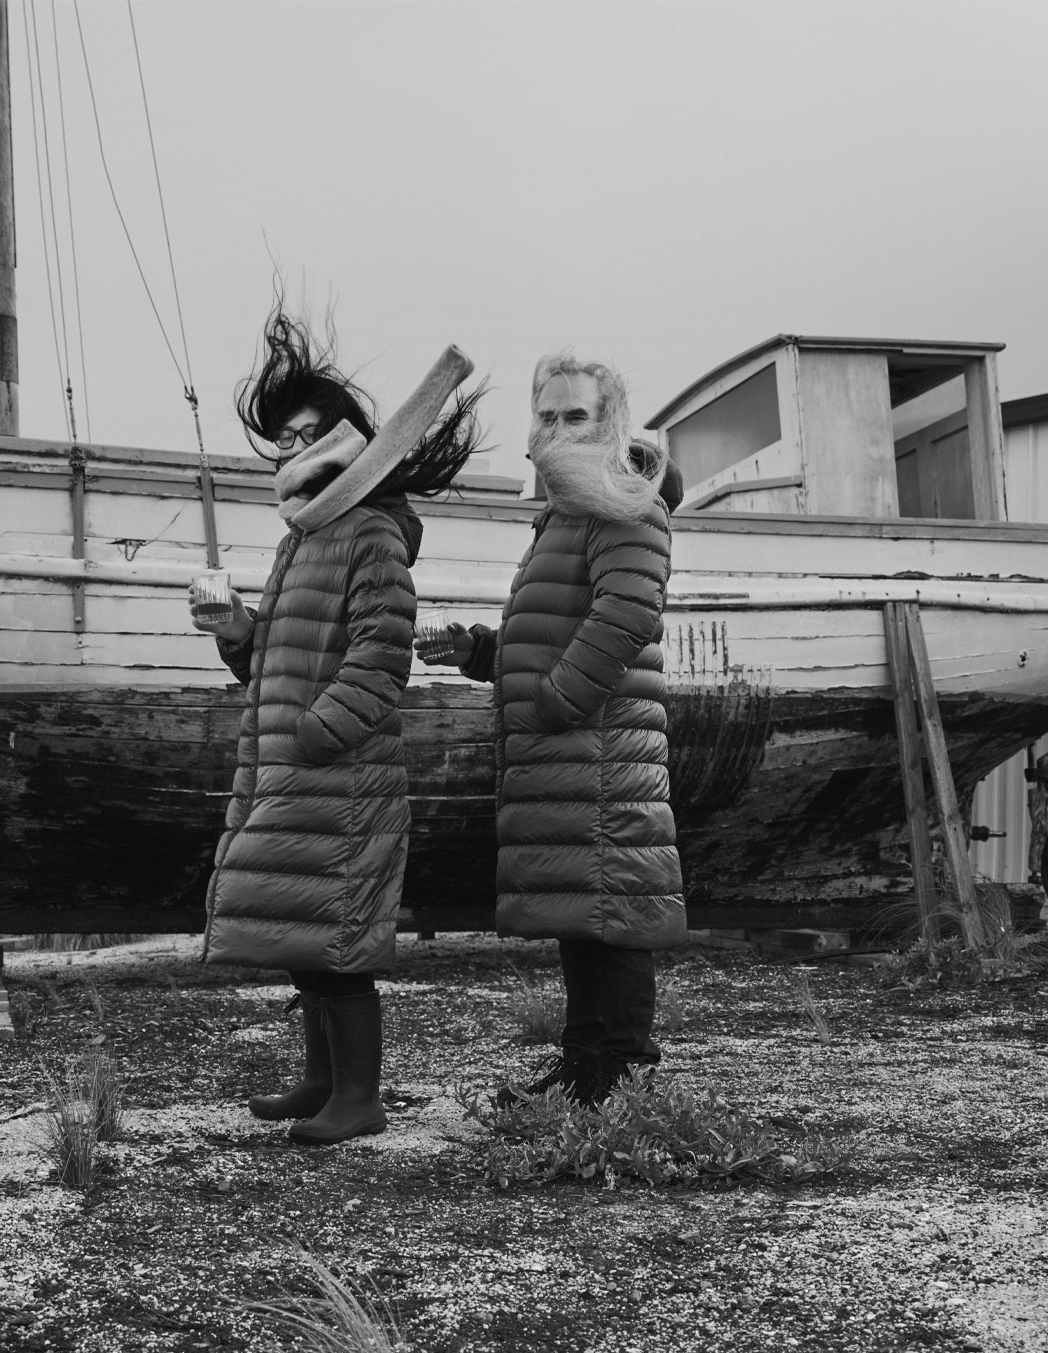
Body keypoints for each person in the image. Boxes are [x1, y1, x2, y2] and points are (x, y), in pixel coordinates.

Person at [191, 307, 481, 1145]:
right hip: (290, 767)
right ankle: (321, 1080)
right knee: (301, 932)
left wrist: (314, 735)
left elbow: (379, 661)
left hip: (338, 774)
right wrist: (240, 634)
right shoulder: (300, 541)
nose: (292, 451)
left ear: (351, 436)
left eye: (306, 434)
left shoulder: (373, 536)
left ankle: (359, 1097)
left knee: (341, 942)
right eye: (282, 441)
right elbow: (272, 665)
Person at [418, 353, 685, 1105]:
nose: (560, 428)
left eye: (578, 415)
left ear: (610, 423)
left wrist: (556, 704)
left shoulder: (623, 503)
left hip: (597, 747)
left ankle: (620, 1074)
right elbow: (558, 631)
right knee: (586, 913)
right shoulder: (567, 513)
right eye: (548, 415)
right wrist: (481, 651)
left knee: (615, 913)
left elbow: (628, 613)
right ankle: (583, 1070)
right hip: (571, 748)